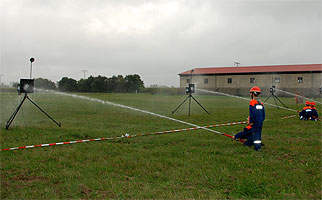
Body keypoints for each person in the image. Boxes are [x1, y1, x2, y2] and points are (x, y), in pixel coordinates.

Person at [245, 87, 265, 151]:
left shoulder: (252, 102)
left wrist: (251, 121)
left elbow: (252, 113)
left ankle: (257, 147)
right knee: (258, 134)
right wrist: (262, 119)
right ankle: (258, 144)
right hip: (260, 121)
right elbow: (263, 113)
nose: (250, 95)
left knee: (255, 134)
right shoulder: (260, 103)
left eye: (251, 93)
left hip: (255, 122)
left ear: (253, 94)